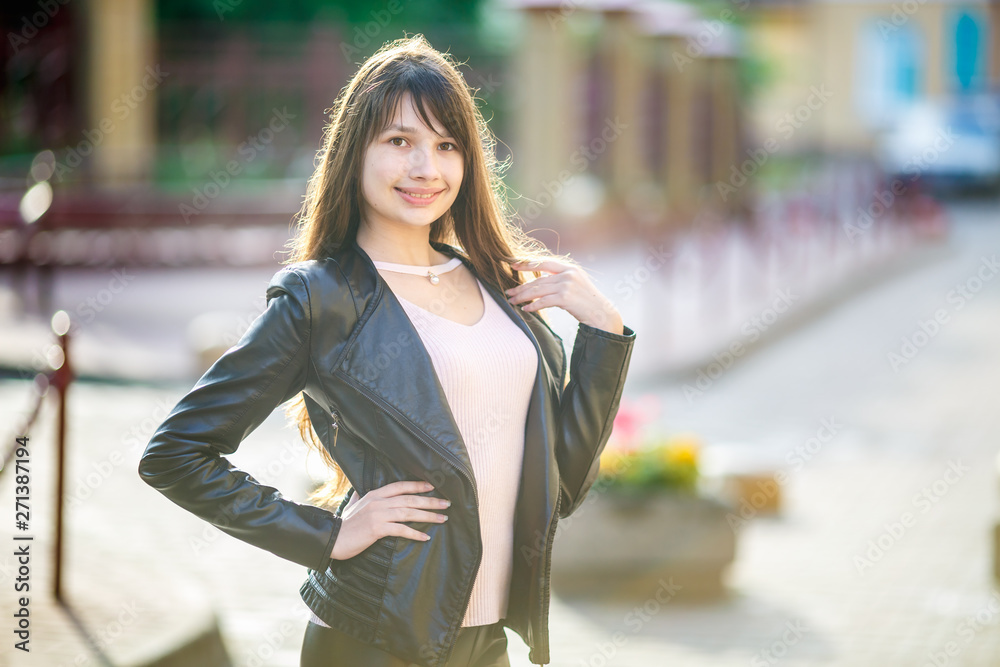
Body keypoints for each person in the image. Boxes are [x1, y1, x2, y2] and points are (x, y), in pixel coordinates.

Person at [138, 34, 635, 667]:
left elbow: (559, 485)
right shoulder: (321, 298)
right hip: (375, 638)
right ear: (356, 152)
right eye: (399, 141)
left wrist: (604, 334)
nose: (426, 168)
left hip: (486, 643)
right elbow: (175, 453)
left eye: (446, 145)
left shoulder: (502, 291)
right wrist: (329, 533)